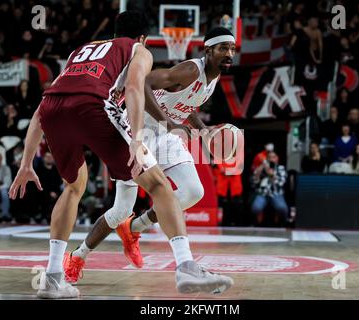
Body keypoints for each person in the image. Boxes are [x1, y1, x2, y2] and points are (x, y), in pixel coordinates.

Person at [9, 11, 233, 299]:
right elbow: (136, 87)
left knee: (75, 187)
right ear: (143, 37)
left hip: (55, 109)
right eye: (224, 47)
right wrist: (137, 139)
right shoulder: (140, 49)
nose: (228, 53)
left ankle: (53, 277)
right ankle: (184, 266)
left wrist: (26, 162)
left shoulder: (82, 50)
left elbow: (47, 105)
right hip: (118, 116)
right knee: (152, 191)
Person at [64, 27, 238, 280]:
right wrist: (169, 123)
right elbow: (143, 82)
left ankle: (135, 228)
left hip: (164, 136)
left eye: (232, 49)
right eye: (223, 48)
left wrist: (203, 131)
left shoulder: (213, 78)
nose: (229, 53)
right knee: (120, 209)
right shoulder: (191, 70)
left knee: (193, 191)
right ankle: (77, 256)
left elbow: (185, 104)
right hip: (134, 132)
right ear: (208, 50)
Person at [251, 151, 288, 226]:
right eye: (269, 157)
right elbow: (254, 181)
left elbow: (281, 183)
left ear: (277, 158)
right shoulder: (262, 167)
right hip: (263, 193)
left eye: (273, 157)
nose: (271, 159)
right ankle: (257, 224)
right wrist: (261, 168)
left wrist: (272, 175)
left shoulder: (280, 168)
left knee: (282, 208)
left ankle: (282, 224)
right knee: (255, 208)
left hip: (276, 193)